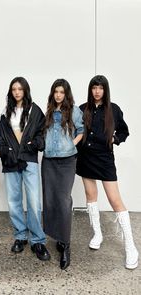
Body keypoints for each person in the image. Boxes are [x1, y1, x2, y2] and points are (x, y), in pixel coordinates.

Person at [76, 75, 139, 269]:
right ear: (90, 89)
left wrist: (115, 139)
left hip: (104, 159)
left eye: (100, 88)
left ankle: (131, 246)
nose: (97, 91)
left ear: (105, 90)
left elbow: (124, 131)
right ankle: (98, 233)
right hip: (85, 157)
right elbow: (75, 129)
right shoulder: (82, 108)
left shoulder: (114, 109)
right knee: (90, 195)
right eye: (94, 87)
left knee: (115, 200)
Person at [0, 77, 50, 261]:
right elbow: (0, 137)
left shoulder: (35, 111)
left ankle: (38, 240)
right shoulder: (5, 112)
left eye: (20, 89)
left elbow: (42, 133)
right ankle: (20, 236)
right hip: (10, 161)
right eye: (14, 89)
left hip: (29, 159)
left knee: (34, 201)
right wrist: (3, 150)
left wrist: (34, 144)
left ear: (26, 90)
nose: (17, 92)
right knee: (14, 201)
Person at [42, 79, 84, 270]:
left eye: (62, 92)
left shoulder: (74, 111)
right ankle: (58, 236)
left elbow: (82, 130)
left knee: (64, 200)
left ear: (67, 94)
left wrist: (70, 145)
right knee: (50, 200)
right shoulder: (49, 110)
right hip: (49, 160)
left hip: (67, 161)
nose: (59, 95)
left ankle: (66, 246)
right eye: (56, 92)